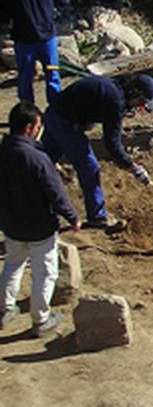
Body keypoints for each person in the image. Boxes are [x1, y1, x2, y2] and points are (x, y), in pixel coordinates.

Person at [0, 101, 79, 337]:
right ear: (28, 128)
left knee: (12, 266)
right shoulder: (36, 158)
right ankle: (41, 319)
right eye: (37, 126)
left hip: (11, 225)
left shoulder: (2, 153)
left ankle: (4, 310)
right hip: (39, 227)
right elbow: (55, 192)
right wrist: (72, 217)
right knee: (44, 273)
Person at [41, 74, 153, 229]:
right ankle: (97, 216)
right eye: (140, 102)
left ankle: (24, 195)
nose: (138, 107)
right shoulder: (115, 101)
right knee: (89, 167)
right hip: (64, 123)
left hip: (54, 115)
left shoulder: (114, 88)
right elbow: (112, 144)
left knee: (42, 163)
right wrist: (133, 167)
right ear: (134, 92)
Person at [3, 0, 73, 104]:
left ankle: (55, 109)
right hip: (24, 41)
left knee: (53, 75)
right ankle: (27, 111)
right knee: (25, 77)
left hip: (47, 39)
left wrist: (57, 11)